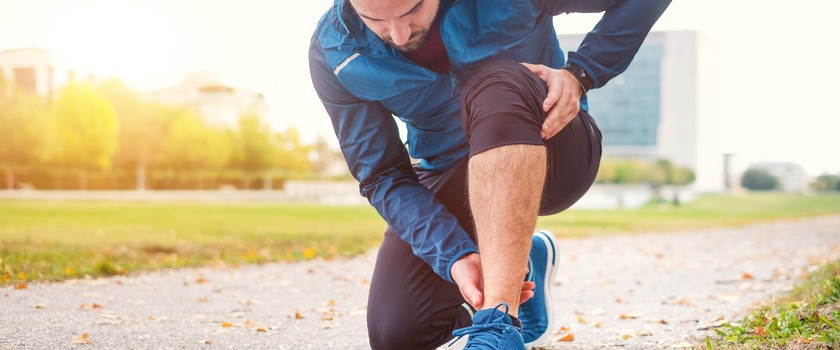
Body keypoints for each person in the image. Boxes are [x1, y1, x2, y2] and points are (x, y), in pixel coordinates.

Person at [308, 0, 669, 348]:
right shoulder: (335, 52)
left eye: (412, 9)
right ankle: (522, 262)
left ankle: (499, 326)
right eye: (376, 21)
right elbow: (383, 175)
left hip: (552, 146)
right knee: (398, 336)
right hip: (451, 169)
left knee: (495, 82)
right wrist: (454, 254)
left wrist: (583, 73)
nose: (399, 35)